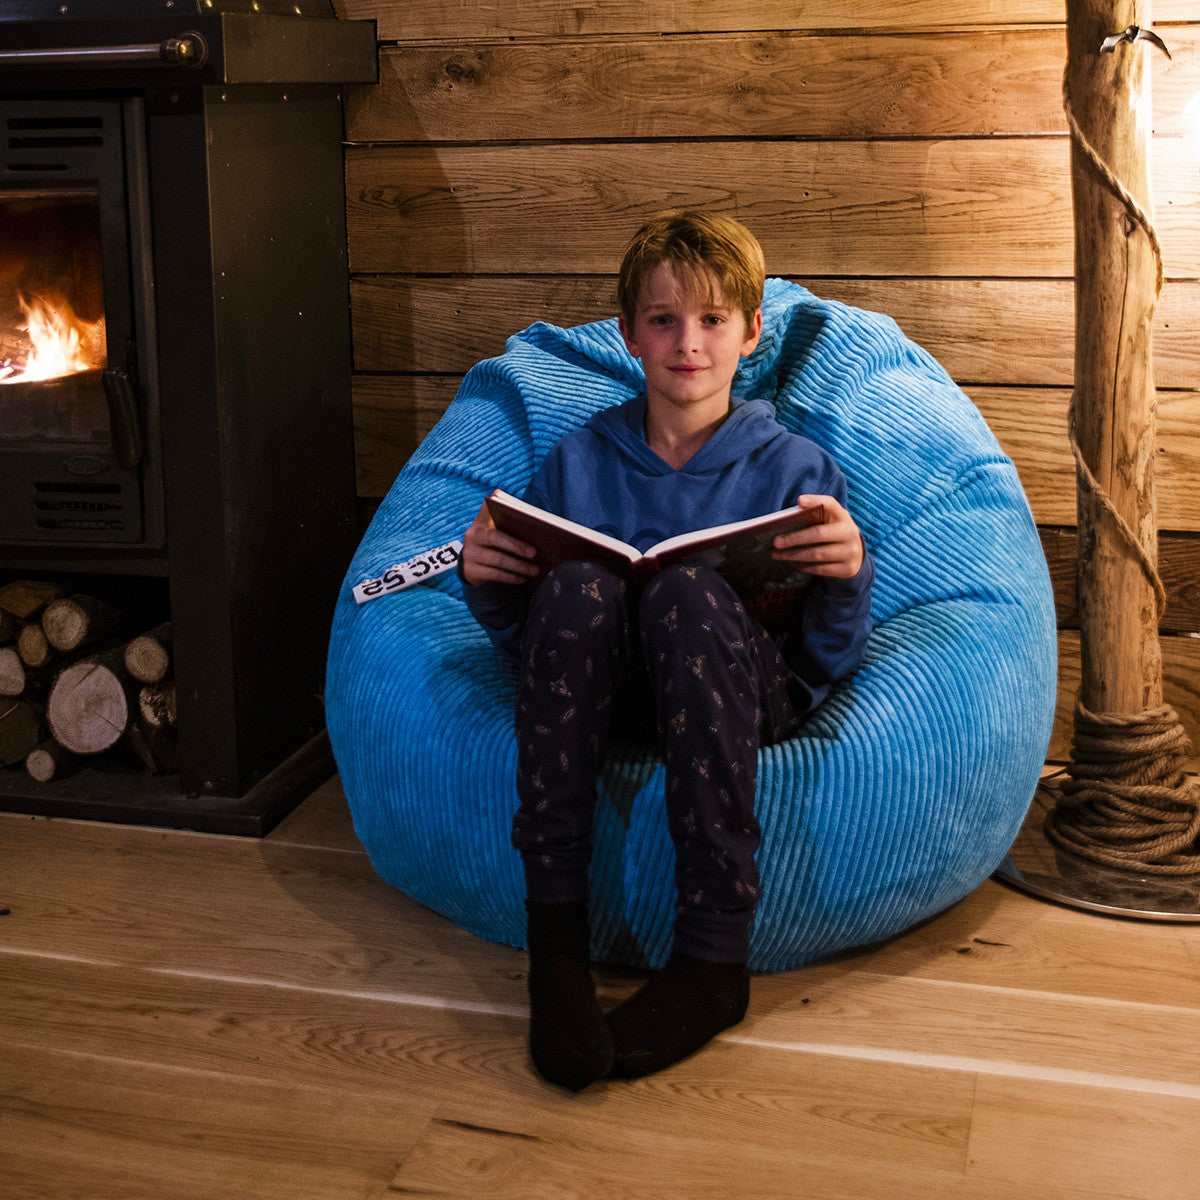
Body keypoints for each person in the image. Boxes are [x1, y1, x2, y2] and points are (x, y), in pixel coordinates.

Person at [459, 211, 874, 1090]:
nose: (688, 343)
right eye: (663, 319)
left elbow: (826, 662)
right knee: (579, 587)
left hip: (737, 701)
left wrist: (847, 575)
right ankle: (556, 953)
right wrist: (488, 582)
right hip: (604, 701)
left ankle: (713, 957)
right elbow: (533, 649)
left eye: (713, 319)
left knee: (686, 594)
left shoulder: (796, 470)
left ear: (751, 333)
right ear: (628, 334)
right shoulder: (578, 462)